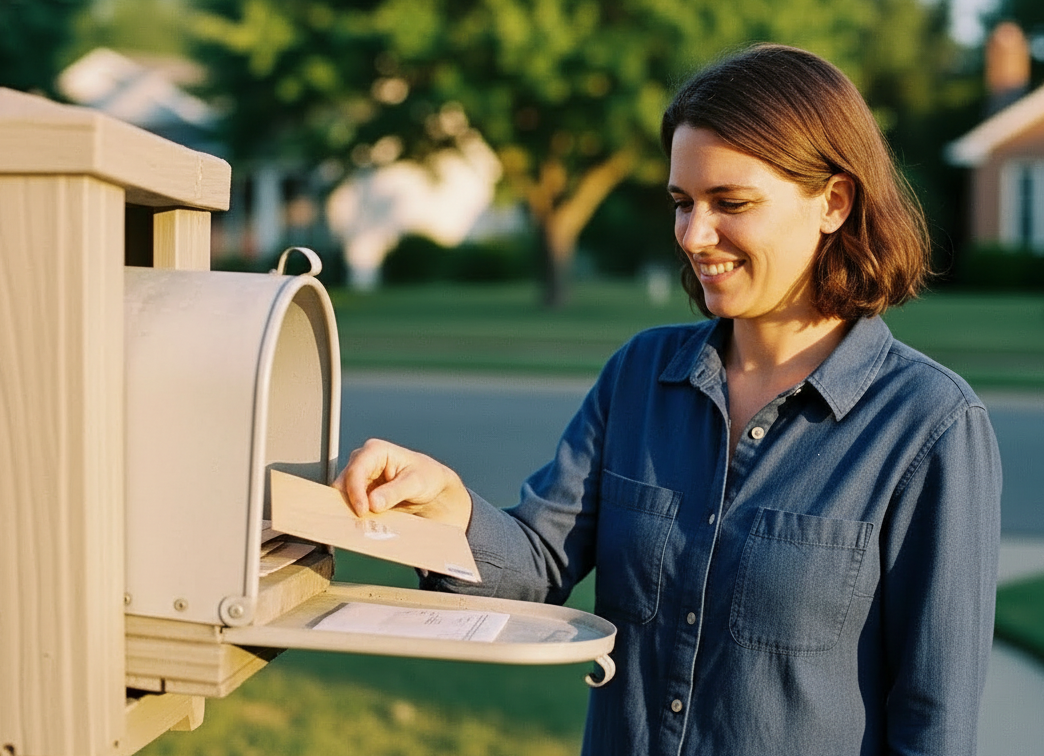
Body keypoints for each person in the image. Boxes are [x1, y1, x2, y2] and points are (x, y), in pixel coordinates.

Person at [336, 43, 1002, 756]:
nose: (693, 235)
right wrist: (449, 510)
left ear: (833, 202)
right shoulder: (639, 376)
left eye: (731, 203)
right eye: (683, 203)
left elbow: (933, 722)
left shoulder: (930, 426)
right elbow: (536, 567)